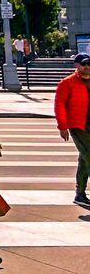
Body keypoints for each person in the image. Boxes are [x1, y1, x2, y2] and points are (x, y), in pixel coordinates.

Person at [55, 52, 90, 207]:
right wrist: (62, 126)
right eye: (84, 64)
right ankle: (80, 193)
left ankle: (80, 193)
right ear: (77, 65)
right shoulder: (67, 83)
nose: (87, 68)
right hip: (78, 126)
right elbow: (60, 105)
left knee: (84, 158)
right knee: (89, 155)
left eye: (89, 65)